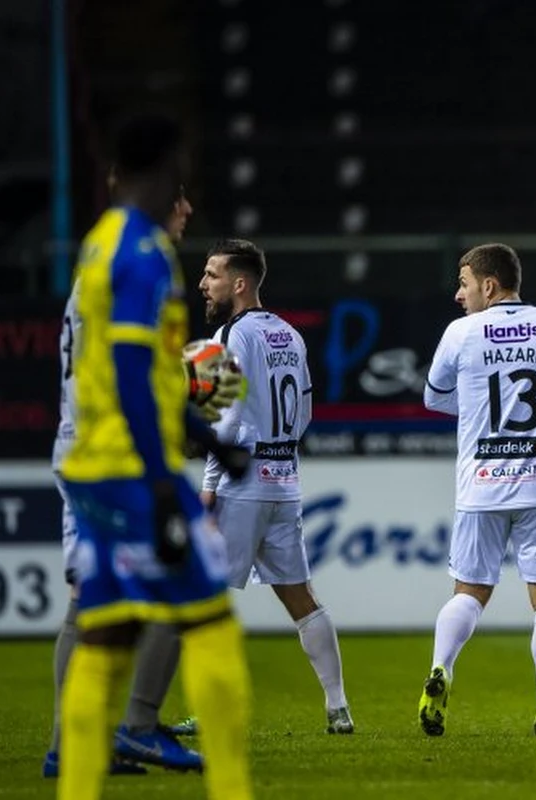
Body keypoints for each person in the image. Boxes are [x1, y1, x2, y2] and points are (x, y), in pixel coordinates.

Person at [57, 111, 254, 800]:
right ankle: (232, 787)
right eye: (182, 175)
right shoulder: (142, 256)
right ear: (161, 168)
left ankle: (76, 784)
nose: (187, 194)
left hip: (96, 465)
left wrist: (207, 443)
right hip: (133, 470)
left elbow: (134, 373)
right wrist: (169, 480)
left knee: (105, 638)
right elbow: (138, 377)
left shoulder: (101, 243)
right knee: (210, 626)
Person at [45, 178, 201, 779]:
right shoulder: (138, 263)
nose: (187, 209)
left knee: (89, 602)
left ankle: (72, 745)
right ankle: (137, 726)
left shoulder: (96, 258)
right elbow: (128, 368)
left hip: (81, 445)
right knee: (185, 582)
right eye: (180, 197)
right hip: (117, 453)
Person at [419, 243, 536, 738]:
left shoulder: (460, 333)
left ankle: (442, 668)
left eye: (464, 283)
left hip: (480, 486)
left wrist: (474, 407)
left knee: (469, 591)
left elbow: (432, 396)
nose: (458, 294)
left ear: (489, 286)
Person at [197, 238, 355, 735]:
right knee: (302, 599)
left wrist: (208, 486)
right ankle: (338, 708)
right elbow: (304, 411)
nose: (203, 285)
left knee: (201, 598)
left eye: (212, 275)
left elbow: (224, 417)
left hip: (240, 484)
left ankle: (211, 712)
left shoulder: (229, 335)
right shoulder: (289, 333)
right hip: (283, 480)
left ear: (239, 284)